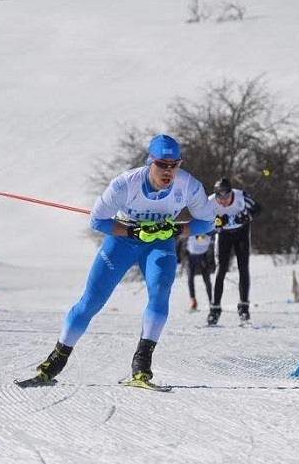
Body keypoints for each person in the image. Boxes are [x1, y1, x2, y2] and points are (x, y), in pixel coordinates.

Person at [29, 134, 215, 386]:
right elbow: (97, 220)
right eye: (162, 164)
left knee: (160, 291)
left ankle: (141, 365)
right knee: (91, 301)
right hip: (122, 242)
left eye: (174, 165)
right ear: (150, 161)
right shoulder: (125, 184)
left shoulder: (189, 186)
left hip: (159, 243)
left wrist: (175, 230)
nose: (168, 171)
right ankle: (56, 361)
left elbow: (206, 222)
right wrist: (132, 231)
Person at [207, 177, 263, 325]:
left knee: (243, 268)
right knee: (220, 271)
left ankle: (244, 308)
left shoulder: (241, 196)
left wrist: (246, 216)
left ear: (231, 192)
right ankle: (215, 310)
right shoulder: (210, 202)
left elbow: (258, 209)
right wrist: (217, 223)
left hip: (241, 233)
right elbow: (203, 225)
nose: (224, 200)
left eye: (227, 195)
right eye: (220, 196)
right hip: (224, 236)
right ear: (215, 195)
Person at [179, 233, 214, 311]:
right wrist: (179, 257)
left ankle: (211, 301)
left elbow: (212, 243)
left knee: (207, 280)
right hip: (191, 257)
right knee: (190, 280)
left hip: (203, 257)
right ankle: (193, 301)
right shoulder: (191, 229)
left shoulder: (207, 231)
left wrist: (212, 261)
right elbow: (181, 239)